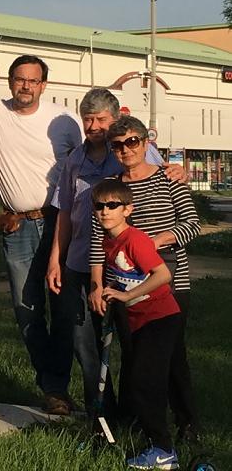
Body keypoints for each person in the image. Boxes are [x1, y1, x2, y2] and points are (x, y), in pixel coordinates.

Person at [46, 89, 183, 418]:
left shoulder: (127, 150)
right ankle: (102, 415)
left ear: (115, 119)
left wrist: (178, 170)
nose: (93, 126)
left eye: (101, 119)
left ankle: (142, 416)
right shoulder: (74, 160)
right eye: (87, 119)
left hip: (122, 269)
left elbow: (163, 176)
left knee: (132, 345)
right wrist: (55, 259)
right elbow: (65, 212)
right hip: (80, 261)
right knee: (85, 343)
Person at [89, 115, 201, 444]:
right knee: (134, 354)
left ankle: (187, 423)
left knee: (172, 356)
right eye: (117, 145)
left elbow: (192, 224)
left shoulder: (169, 178)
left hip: (170, 280)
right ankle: (140, 421)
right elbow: (97, 240)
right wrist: (97, 284)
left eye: (132, 142)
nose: (126, 150)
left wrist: (154, 242)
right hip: (125, 285)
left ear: (145, 142)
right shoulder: (110, 188)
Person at [0, 54, 82, 414]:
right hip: (18, 226)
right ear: (10, 81)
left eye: (33, 80)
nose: (25, 86)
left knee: (65, 309)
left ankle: (59, 386)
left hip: (59, 223)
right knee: (27, 311)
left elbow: (90, 157)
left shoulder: (64, 120)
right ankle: (52, 385)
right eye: (19, 79)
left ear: (44, 85)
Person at [92, 178, 182, 471]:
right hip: (138, 321)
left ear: (127, 209)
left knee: (145, 382)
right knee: (138, 381)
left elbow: (163, 275)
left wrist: (127, 295)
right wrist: (111, 292)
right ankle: (151, 438)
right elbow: (122, 277)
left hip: (160, 318)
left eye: (112, 205)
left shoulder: (134, 240)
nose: (105, 211)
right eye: (99, 206)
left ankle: (164, 450)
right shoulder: (109, 242)